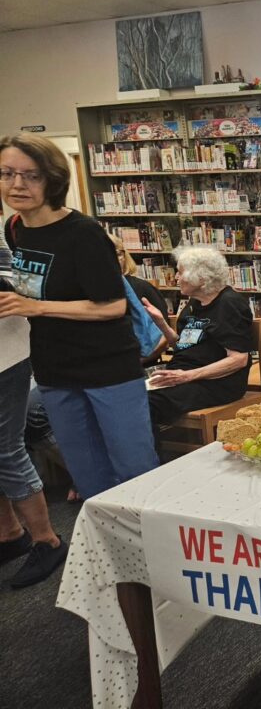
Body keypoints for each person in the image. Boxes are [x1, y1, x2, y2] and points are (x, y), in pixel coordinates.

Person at [0, 133, 159, 500]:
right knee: (87, 475)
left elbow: (112, 306)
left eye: (31, 175)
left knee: (134, 471)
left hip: (107, 371)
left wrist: (37, 307)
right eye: (7, 173)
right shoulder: (15, 228)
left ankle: (151, 553)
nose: (17, 184)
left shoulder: (83, 233)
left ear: (52, 179)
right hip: (54, 371)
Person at [0, 231, 67, 588]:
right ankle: (11, 534)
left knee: (7, 447)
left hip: (4, 353)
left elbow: (16, 284)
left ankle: (47, 540)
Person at [144, 247, 253, 425]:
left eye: (180, 272)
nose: (176, 278)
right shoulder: (195, 302)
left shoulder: (229, 304)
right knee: (126, 391)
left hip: (214, 383)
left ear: (201, 278)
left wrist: (186, 376)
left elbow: (239, 359)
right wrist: (160, 322)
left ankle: (148, 451)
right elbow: (184, 345)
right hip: (184, 374)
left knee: (147, 404)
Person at [110, 233, 169, 365]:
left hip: (140, 364)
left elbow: (164, 338)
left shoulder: (142, 288)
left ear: (125, 257)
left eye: (118, 254)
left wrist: (135, 364)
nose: (113, 259)